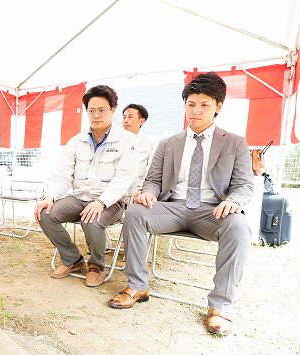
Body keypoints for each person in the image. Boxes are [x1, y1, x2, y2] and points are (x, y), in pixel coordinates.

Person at [108, 72, 254, 336]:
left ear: (218, 106)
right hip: (172, 207)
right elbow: (153, 180)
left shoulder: (235, 142)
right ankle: (138, 285)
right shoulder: (168, 143)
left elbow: (244, 185)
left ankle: (219, 306)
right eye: (191, 104)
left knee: (239, 226)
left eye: (204, 105)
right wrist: (149, 193)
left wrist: (233, 200)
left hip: (212, 211)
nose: (195, 111)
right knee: (135, 212)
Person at [34, 85, 138, 287]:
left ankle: (96, 265)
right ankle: (73, 259)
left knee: (91, 220)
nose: (96, 115)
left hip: (111, 202)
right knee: (45, 214)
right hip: (79, 198)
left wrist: (101, 202)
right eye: (91, 110)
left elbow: (124, 178)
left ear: (113, 110)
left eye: (102, 110)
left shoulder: (127, 141)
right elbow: (63, 175)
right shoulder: (76, 141)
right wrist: (51, 196)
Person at [121, 104, 158, 197]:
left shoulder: (150, 143)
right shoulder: (115, 141)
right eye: (124, 117)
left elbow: (150, 172)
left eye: (130, 117)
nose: (125, 121)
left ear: (141, 121)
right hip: (116, 190)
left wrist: (143, 191)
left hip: (138, 191)